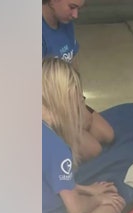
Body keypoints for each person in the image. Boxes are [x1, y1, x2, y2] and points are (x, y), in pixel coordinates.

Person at [42, 57, 126, 213]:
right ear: (68, 100)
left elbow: (45, 178)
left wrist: (88, 189)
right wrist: (98, 200)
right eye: (80, 100)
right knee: (118, 209)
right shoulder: (56, 147)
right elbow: (76, 208)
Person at [42, 0, 115, 162]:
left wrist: (80, 102)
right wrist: (66, 117)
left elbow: (73, 64)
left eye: (79, 9)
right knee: (94, 150)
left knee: (107, 135)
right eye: (72, 7)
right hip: (47, 107)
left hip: (67, 99)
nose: (75, 15)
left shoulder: (65, 22)